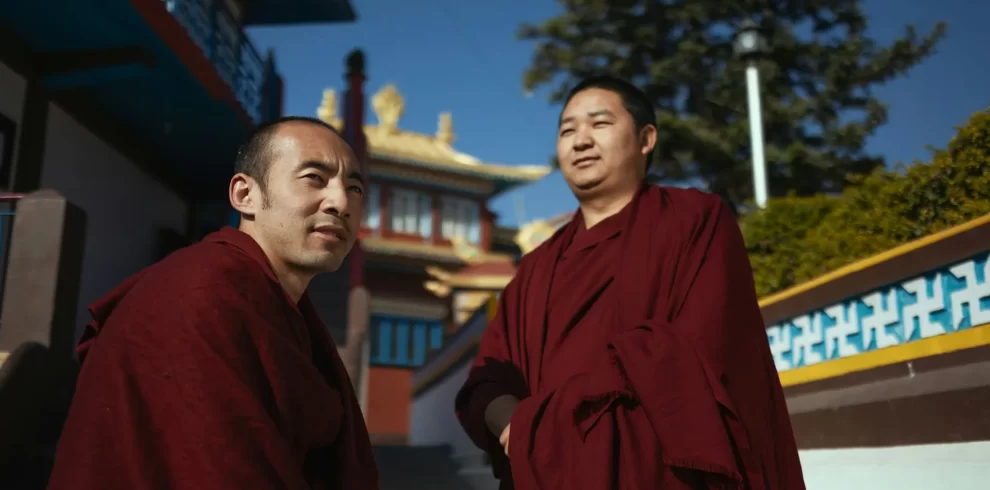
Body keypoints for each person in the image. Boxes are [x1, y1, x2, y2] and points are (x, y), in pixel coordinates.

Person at [454, 76, 806, 490]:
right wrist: (517, 429)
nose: (580, 140)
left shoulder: (693, 221)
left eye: (599, 124)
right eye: (567, 130)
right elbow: (486, 381)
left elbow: (699, 345)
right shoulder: (533, 269)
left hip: (660, 471)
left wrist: (559, 416)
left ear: (645, 138)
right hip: (546, 470)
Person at [47, 117, 379, 490]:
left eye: (354, 188)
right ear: (244, 195)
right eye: (314, 178)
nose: (341, 202)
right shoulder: (197, 296)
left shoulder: (284, 309)